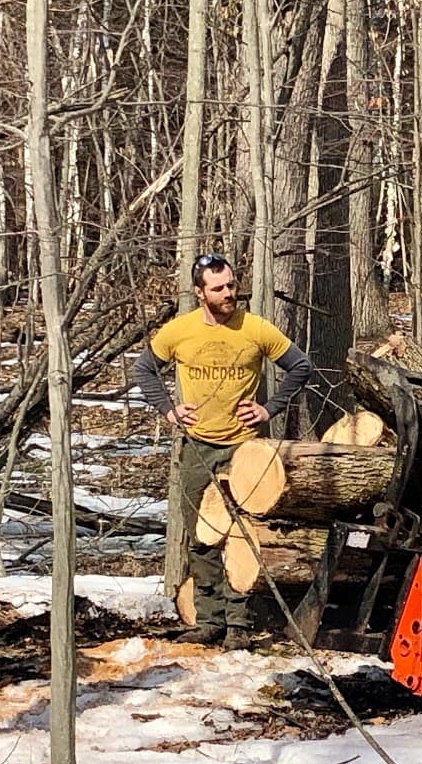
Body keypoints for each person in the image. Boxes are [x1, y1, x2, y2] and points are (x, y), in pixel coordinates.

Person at [132, 253, 312, 648]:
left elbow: (300, 366)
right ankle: (208, 619)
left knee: (241, 535)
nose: (229, 293)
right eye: (219, 288)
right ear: (200, 293)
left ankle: (239, 625)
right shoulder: (179, 331)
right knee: (201, 535)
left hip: (244, 449)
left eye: (231, 285)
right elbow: (144, 369)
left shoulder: (255, 328)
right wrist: (168, 409)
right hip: (198, 446)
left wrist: (269, 408)